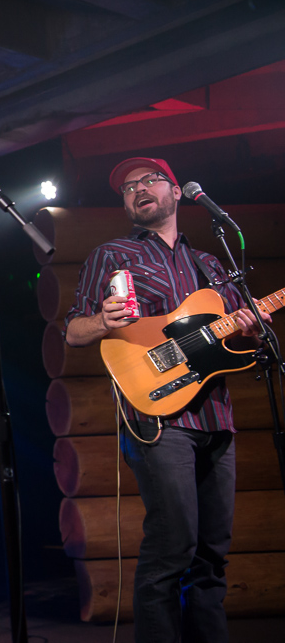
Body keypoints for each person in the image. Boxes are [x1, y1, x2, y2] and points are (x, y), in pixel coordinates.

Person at [64, 158, 271, 642]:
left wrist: (253, 329)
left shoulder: (211, 263)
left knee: (212, 555)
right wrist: (102, 322)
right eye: (127, 187)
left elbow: (237, 340)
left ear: (177, 192)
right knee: (171, 548)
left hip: (216, 417)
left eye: (149, 180)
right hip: (156, 417)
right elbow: (73, 330)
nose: (138, 189)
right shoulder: (112, 255)